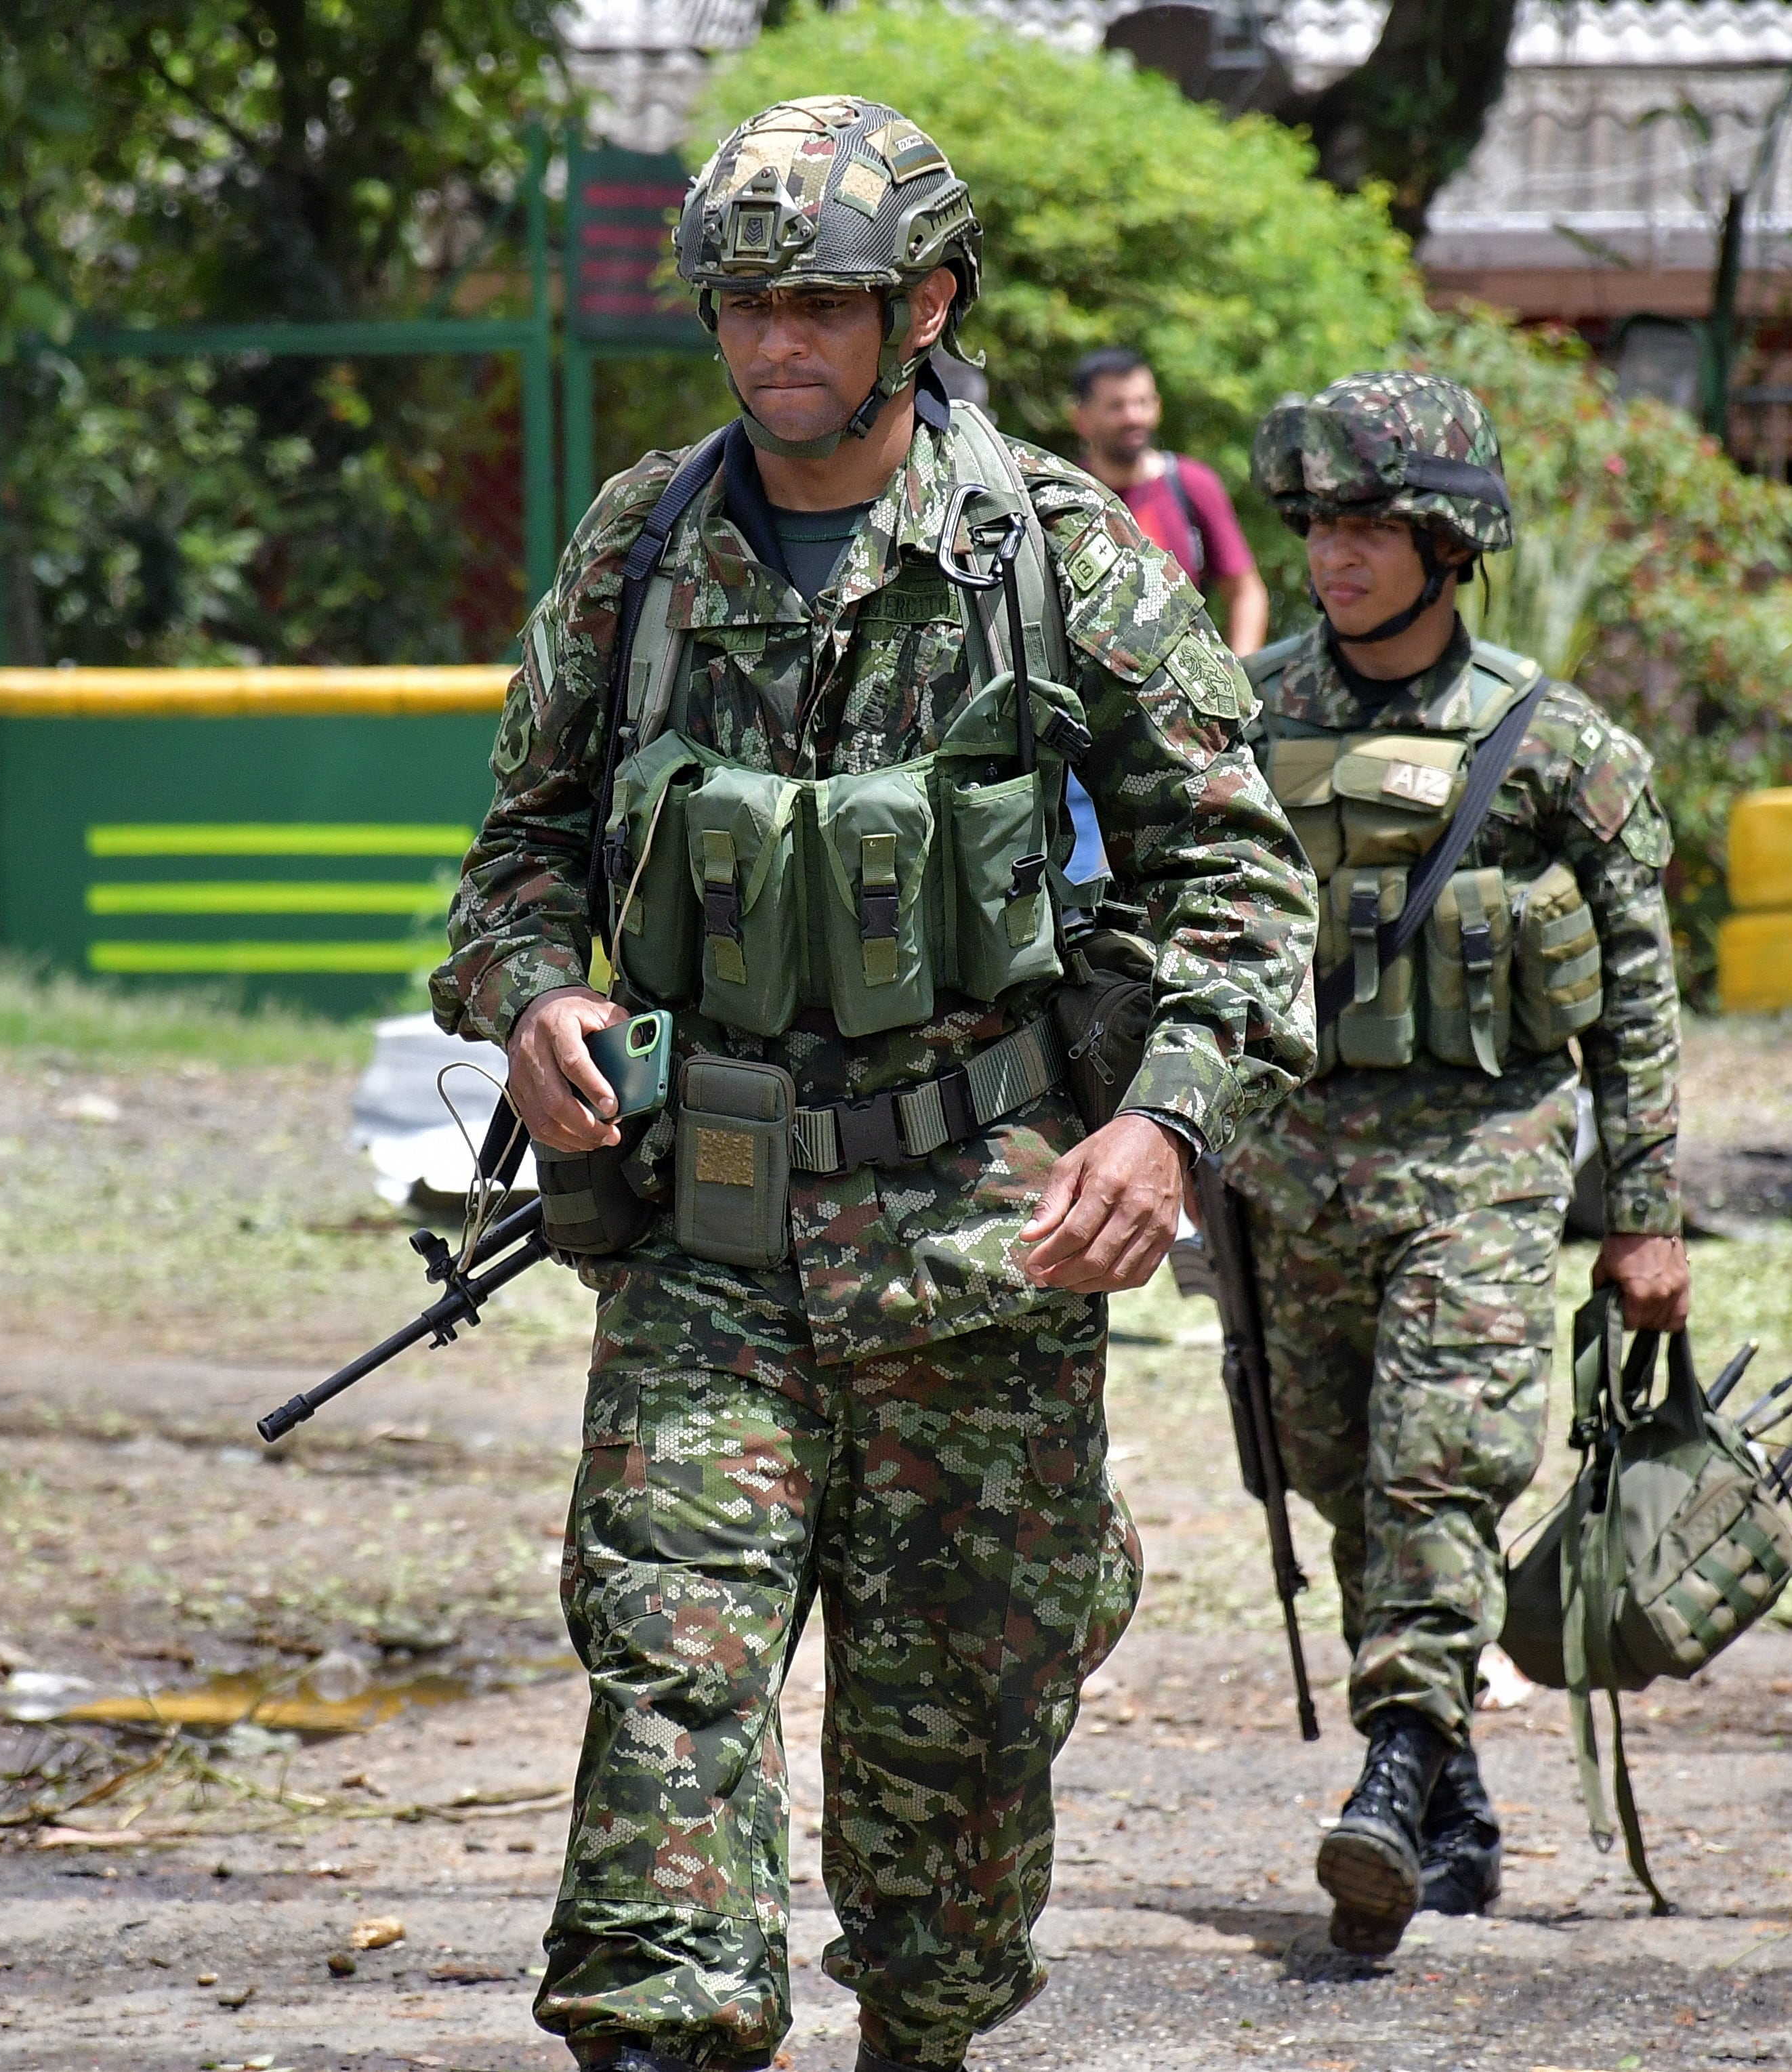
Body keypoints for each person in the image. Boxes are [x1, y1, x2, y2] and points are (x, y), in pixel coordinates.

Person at [434, 97, 1318, 2072]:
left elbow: (1246, 886)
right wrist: (529, 996)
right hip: (705, 1247)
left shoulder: (1059, 554)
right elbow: (520, 852)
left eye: (822, 301)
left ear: (925, 302)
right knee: (666, 1694)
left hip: (976, 1261)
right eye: (744, 303)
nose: (776, 345)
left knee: (950, 1839)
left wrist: (1162, 1123)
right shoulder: (640, 547)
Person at [1232, 372, 1684, 1955]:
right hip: (1285, 1175)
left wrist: (1644, 1214)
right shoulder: (1249, 721)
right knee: (1345, 1481)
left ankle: (1392, 1765)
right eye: (1318, 524)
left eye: (1370, 524)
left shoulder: (1551, 746)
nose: (1336, 555)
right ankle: (1456, 1810)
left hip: (1480, 1161)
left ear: (1447, 541)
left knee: (1439, 1462)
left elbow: (1634, 986)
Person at [1068, 346, 1268, 654]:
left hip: (1185, 686)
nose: (1133, 417)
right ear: (1081, 419)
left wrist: (1240, 679)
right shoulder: (1066, 494)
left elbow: (1245, 592)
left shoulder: (1192, 484)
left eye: (1143, 402)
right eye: (1116, 406)